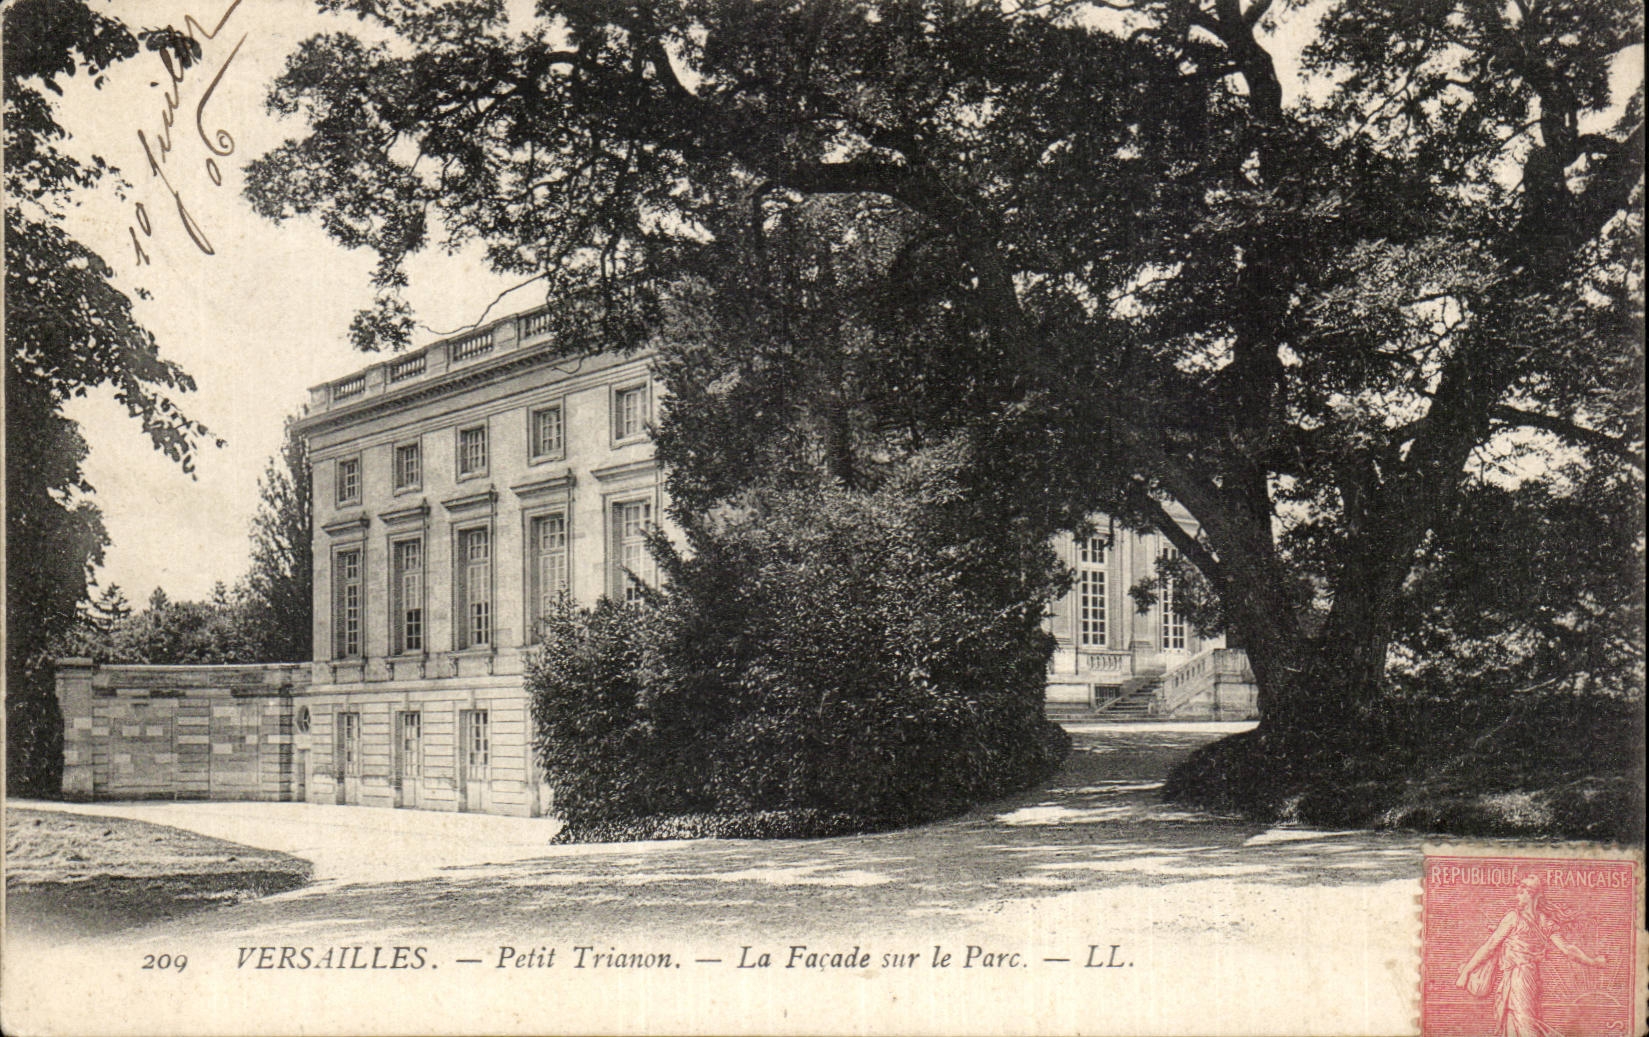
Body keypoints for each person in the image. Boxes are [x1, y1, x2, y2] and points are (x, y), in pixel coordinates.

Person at [1456, 875, 1609, 1037]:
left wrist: (1466, 971)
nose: (1517, 897)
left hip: (1518, 979)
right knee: (1512, 1024)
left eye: (1520, 893)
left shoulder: (1513, 918)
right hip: (1529, 978)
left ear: (1530, 894)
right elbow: (1568, 950)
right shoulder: (1544, 921)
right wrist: (1594, 962)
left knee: (1524, 1025)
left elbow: (1489, 947)